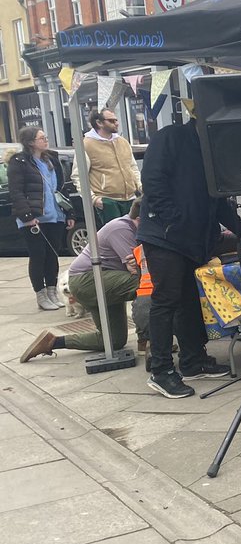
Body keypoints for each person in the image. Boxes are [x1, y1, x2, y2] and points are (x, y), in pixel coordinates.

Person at [139, 120, 241, 399]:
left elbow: (218, 205)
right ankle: (161, 371)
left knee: (190, 301)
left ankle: (192, 361)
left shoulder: (213, 149)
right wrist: (174, 221)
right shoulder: (171, 137)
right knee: (166, 301)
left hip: (192, 240)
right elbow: (153, 181)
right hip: (165, 236)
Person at [21, 200, 143, 362]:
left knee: (114, 341)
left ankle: (52, 341)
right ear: (141, 219)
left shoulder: (134, 229)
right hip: (87, 281)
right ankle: (147, 339)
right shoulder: (122, 228)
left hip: (102, 280)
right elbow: (138, 271)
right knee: (145, 284)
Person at [7, 126, 74, 311]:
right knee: (38, 256)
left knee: (53, 255)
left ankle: (53, 291)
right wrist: (27, 216)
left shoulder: (52, 158)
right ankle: (41, 294)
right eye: (41, 138)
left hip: (55, 215)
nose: (46, 140)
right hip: (34, 217)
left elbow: (61, 187)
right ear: (30, 142)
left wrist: (69, 213)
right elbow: (16, 191)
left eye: (45, 137)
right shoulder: (19, 162)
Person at [83, 108, 141, 225]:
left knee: (134, 236)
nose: (116, 123)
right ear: (99, 123)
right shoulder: (87, 144)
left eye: (116, 120)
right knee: (116, 236)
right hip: (108, 200)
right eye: (111, 120)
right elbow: (79, 176)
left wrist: (139, 186)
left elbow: (132, 167)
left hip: (130, 198)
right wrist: (95, 199)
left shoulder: (122, 142)